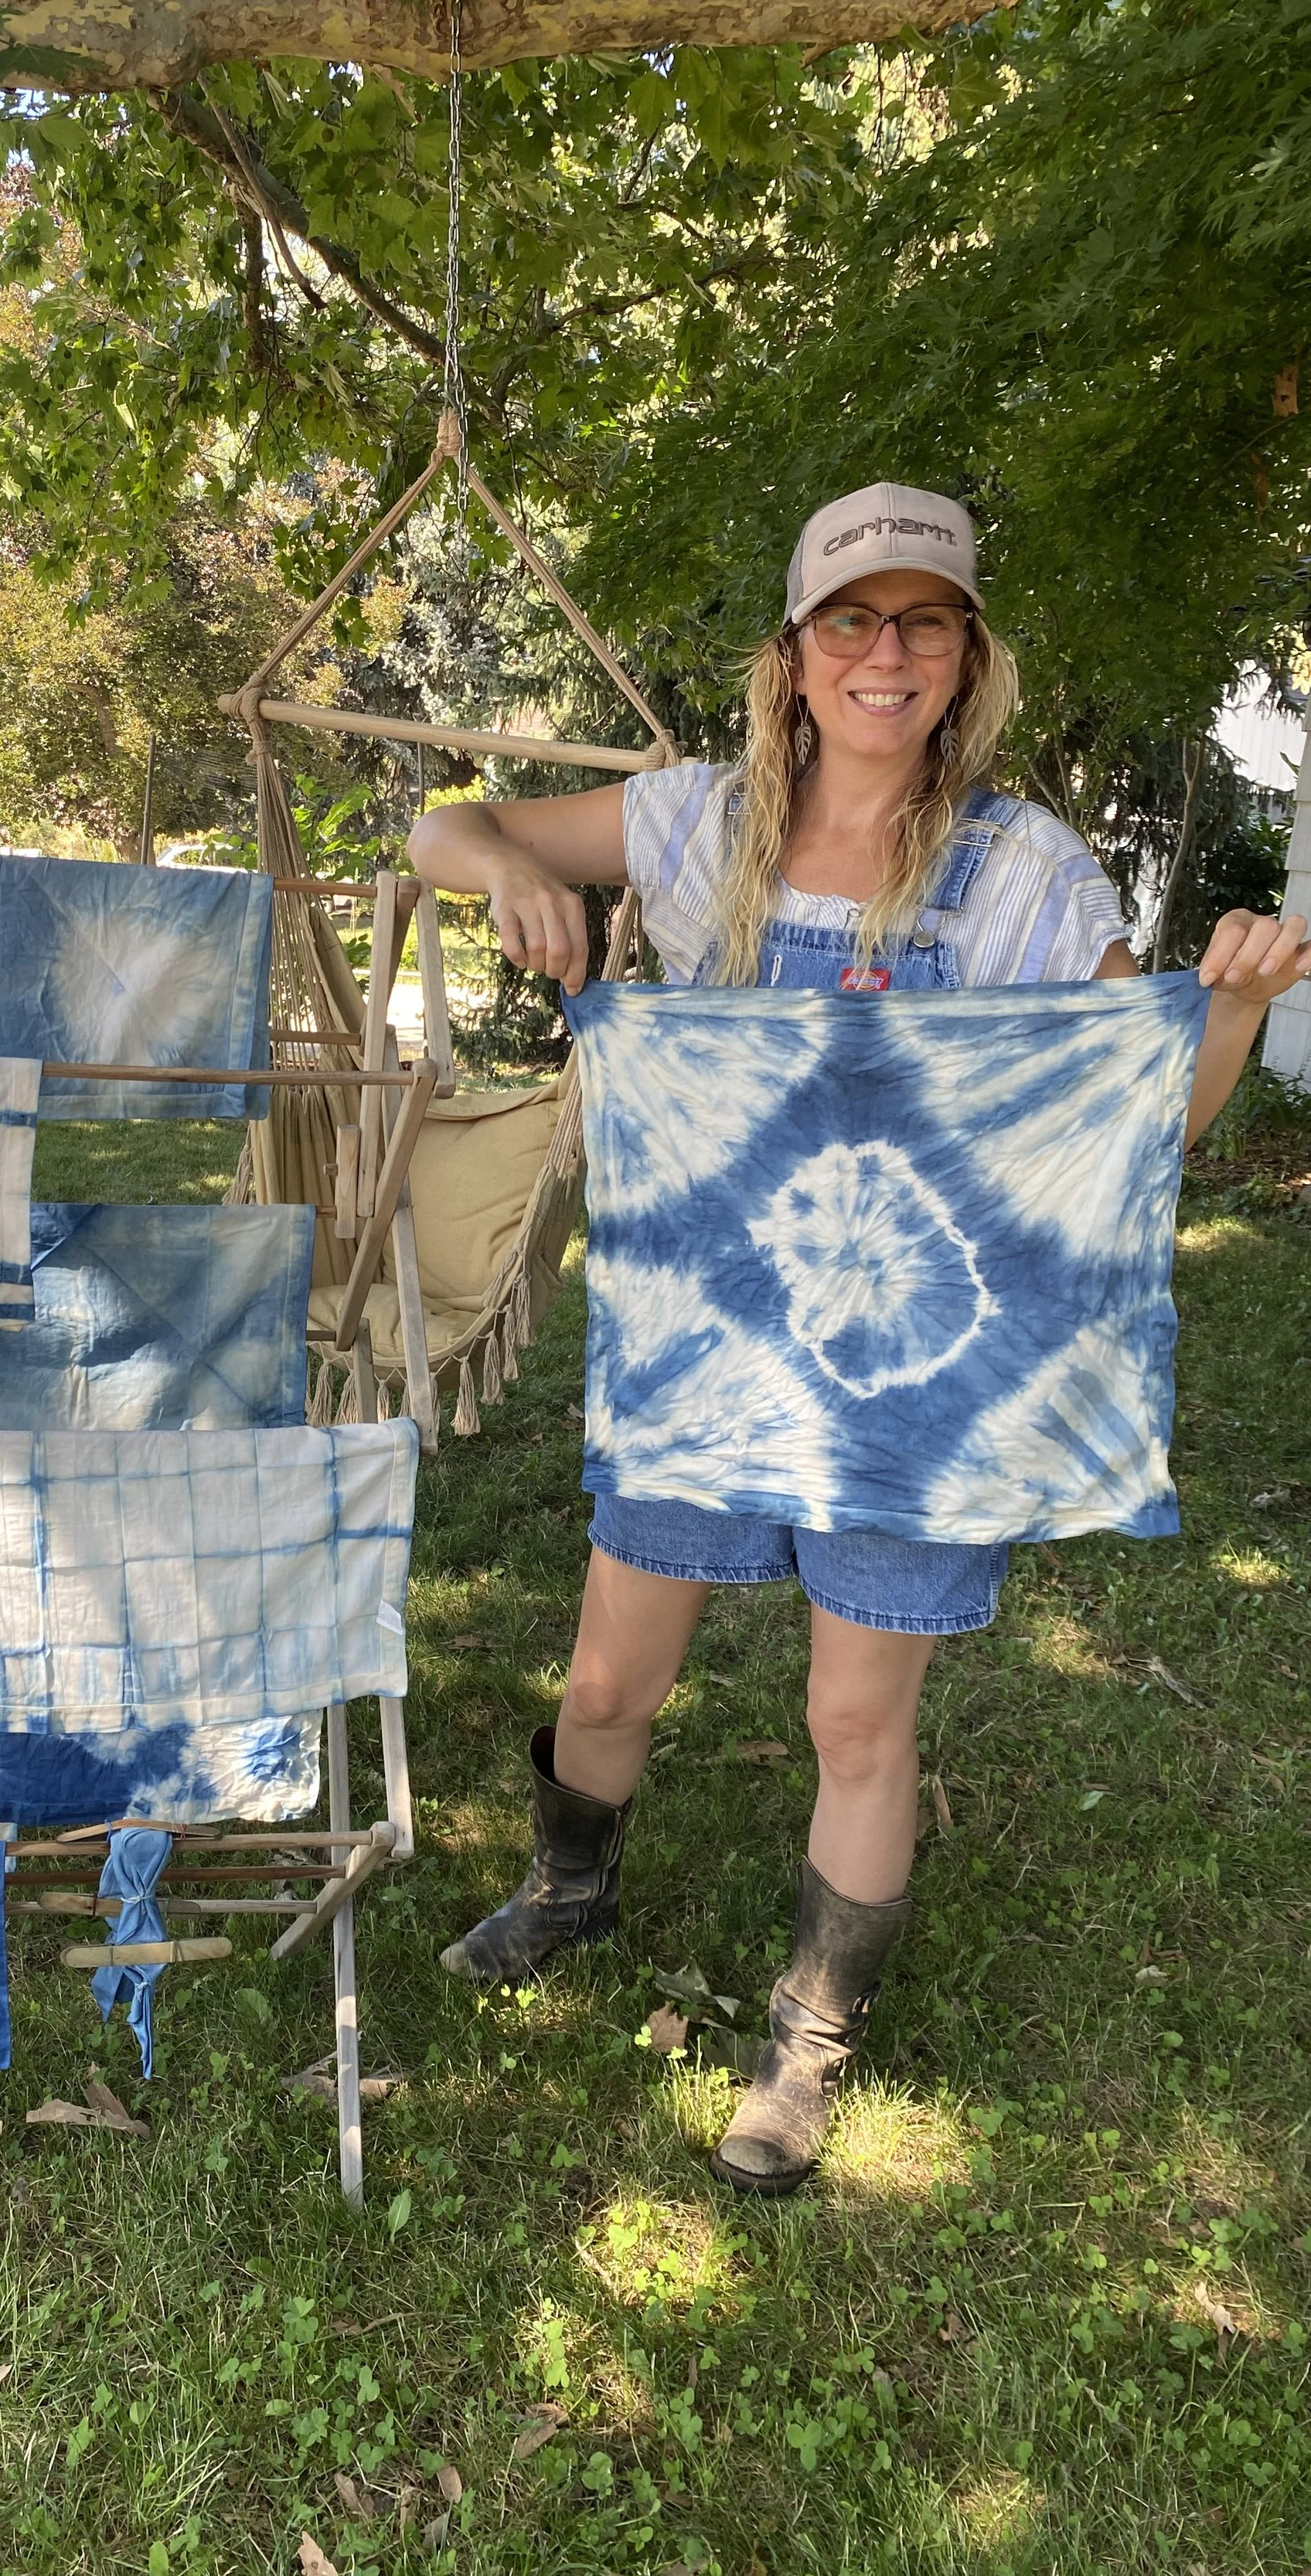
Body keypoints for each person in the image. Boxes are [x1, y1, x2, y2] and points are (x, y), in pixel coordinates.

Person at [407, 480, 1311, 2198]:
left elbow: (1143, 1124)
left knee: (853, 1718)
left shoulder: (1027, 871)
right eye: (851, 619)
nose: (884, 652)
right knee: (609, 1672)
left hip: (924, 1357)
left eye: (923, 621)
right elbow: (442, 827)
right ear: (796, 652)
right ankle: (563, 1888)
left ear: (965, 654)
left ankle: (806, 2045)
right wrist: (511, 880)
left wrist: (1233, 1012)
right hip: (703, 1330)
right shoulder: (691, 822)